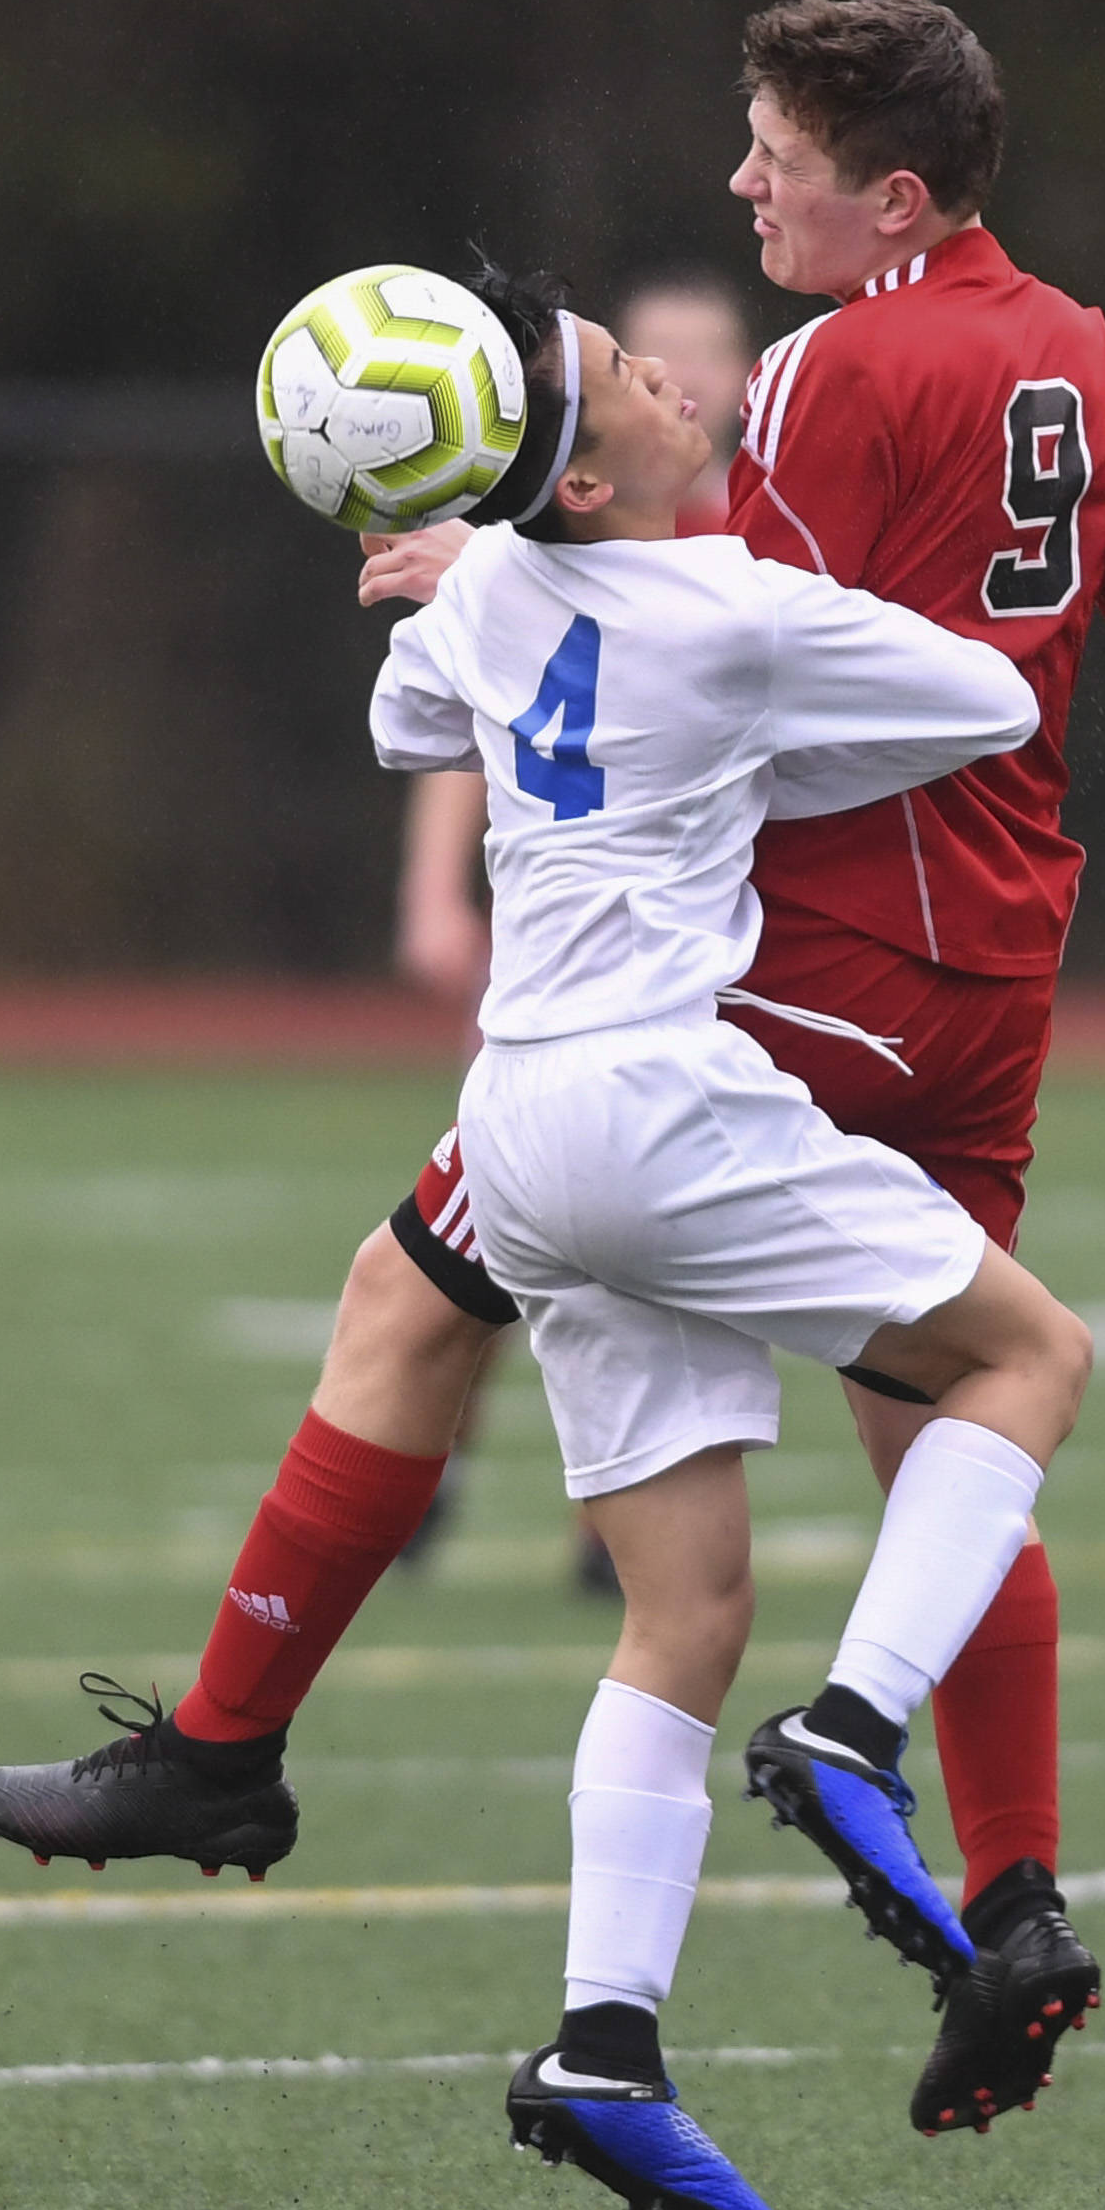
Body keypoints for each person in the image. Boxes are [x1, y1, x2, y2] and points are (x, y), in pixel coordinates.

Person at [0, 0, 1105, 2138]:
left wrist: (509, 567)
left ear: (891, 190)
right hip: (996, 963)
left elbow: (709, 606)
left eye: (774, 154)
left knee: (423, 1289)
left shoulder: (827, 374)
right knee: (936, 1417)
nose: (742, 188)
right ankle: (1005, 1897)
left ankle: (227, 1743)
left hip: (785, 969)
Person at [365, 269, 1081, 2210]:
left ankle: (604, 2042)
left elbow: (402, 708)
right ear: (585, 480)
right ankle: (856, 1730)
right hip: (663, 1108)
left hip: (515, 1131)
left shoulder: (503, 590)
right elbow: (996, 701)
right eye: (629, 379)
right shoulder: (741, 607)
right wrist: (772, 724)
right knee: (1031, 1364)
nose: (676, 376)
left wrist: (461, 578)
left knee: (677, 1613)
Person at [391, 268, 756, 1591]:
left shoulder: (754, 540)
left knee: (650, 1232)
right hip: (572, 980)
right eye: (650, 356)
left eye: (712, 352)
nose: (684, 374)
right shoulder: (555, 539)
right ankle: (424, 1479)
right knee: (472, 1249)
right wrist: (436, 896)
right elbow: (457, 731)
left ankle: (622, 1523)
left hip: (709, 959)